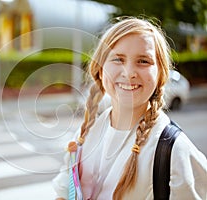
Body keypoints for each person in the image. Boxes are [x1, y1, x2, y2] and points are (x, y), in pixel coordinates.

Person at [52, 16, 207, 200]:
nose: (129, 73)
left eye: (143, 61)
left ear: (160, 75)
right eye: (118, 59)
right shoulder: (84, 134)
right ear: (100, 70)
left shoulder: (174, 150)